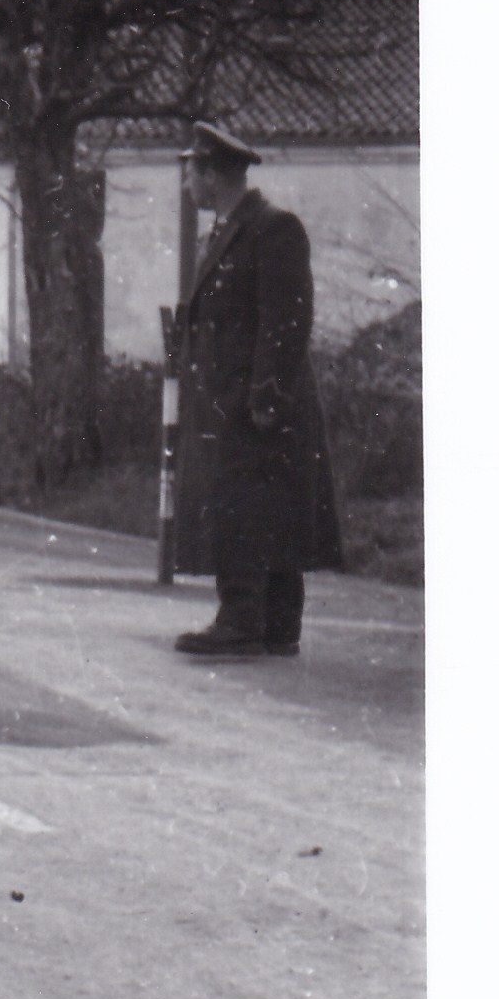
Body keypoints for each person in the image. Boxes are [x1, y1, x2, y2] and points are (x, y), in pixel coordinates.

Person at [168, 121, 343, 655]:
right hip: (232, 399)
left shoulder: (272, 229)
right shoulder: (229, 231)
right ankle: (275, 626)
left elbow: (286, 319)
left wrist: (267, 396)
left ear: (211, 175)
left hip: (257, 401)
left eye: (191, 173)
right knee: (263, 506)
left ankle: (243, 621)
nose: (186, 185)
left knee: (249, 507)